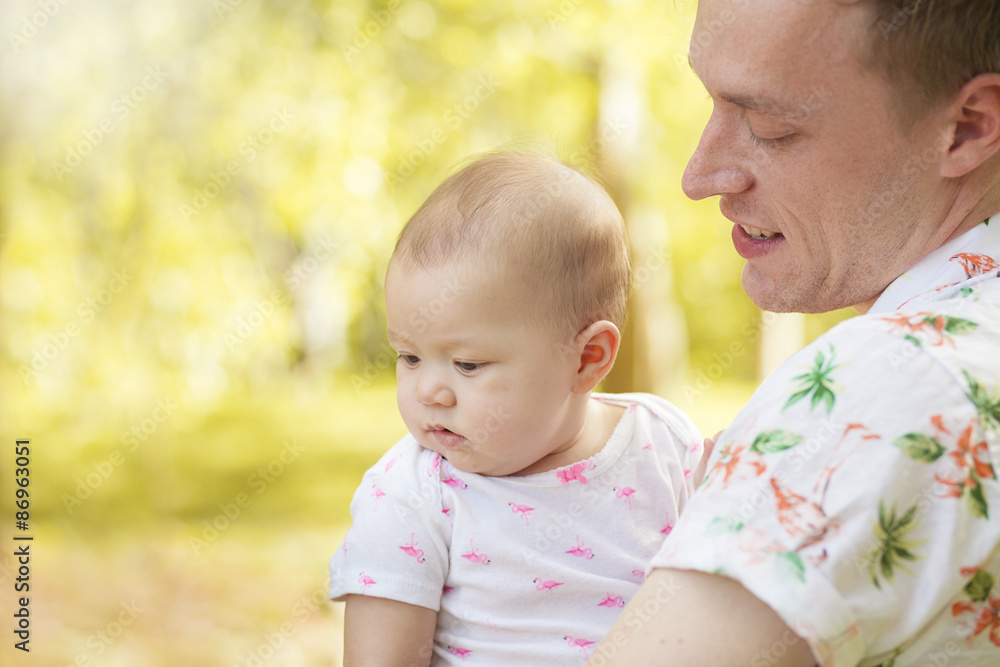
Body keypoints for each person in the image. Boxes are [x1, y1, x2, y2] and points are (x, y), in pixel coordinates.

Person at [587, 1, 1000, 666]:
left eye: (769, 127)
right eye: (711, 102)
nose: (700, 177)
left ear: (967, 128)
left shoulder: (883, 384)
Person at [328, 151, 706, 666]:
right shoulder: (411, 494)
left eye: (467, 364)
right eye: (409, 357)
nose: (429, 391)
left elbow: (719, 595)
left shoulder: (662, 445)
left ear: (587, 359)